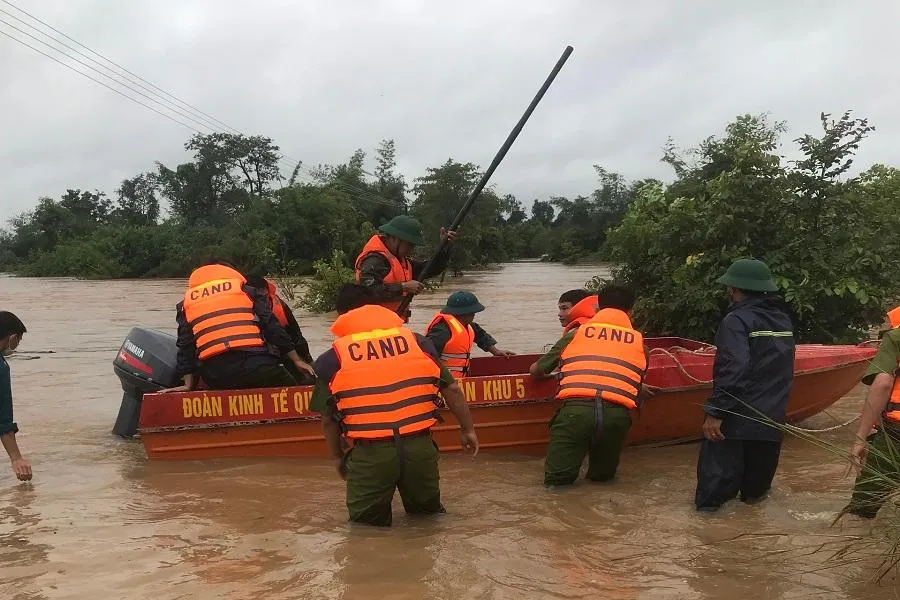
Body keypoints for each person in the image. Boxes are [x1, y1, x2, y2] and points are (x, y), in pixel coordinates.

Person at [310, 283, 479, 527]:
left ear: (341, 316)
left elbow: (327, 420)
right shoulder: (417, 342)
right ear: (377, 309)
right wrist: (468, 430)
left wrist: (337, 458)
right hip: (419, 448)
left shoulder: (332, 359)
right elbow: (452, 389)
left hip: (371, 456)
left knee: (366, 532)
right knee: (428, 522)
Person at [695, 258, 795, 512]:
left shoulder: (736, 321)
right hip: (770, 424)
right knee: (754, 502)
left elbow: (734, 368)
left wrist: (716, 412)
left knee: (712, 507)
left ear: (733, 289)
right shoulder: (782, 321)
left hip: (734, 425)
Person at [529, 285, 649, 487]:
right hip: (615, 417)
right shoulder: (640, 344)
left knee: (557, 485)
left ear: (597, 307)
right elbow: (634, 381)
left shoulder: (576, 334)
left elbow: (537, 370)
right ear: (631, 311)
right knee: (602, 482)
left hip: (576, 414)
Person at [168, 262, 315, 392]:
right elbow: (273, 327)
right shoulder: (246, 292)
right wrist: (297, 360)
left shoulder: (185, 305)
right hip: (257, 367)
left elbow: (185, 345)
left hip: (216, 376)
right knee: (292, 388)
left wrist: (188, 385)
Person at [844, 306, 900, 519]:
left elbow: (883, 383)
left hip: (896, 438)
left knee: (861, 512)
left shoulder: (896, 337)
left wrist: (860, 437)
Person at [355, 215, 457, 319]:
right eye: (409, 244)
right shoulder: (374, 260)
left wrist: (444, 249)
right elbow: (367, 292)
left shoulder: (401, 260)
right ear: (394, 238)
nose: (411, 249)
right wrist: (404, 287)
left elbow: (430, 269)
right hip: (373, 326)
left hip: (391, 325)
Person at [424, 291, 515, 377]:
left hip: (461, 381)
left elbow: (481, 336)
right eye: (472, 312)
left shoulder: (468, 326)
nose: (474, 314)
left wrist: (496, 351)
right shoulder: (442, 330)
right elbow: (428, 355)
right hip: (445, 384)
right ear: (463, 313)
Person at [245, 275, 315, 384]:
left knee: (307, 377)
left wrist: (307, 360)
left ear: (267, 292)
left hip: (283, 350)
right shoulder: (238, 308)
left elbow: (296, 335)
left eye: (264, 297)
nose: (262, 302)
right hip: (252, 355)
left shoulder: (280, 306)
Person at [0, 311, 32, 482]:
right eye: (18, 340)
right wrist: (16, 458)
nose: (18, 345)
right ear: (12, 337)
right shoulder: (1, 367)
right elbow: (3, 418)